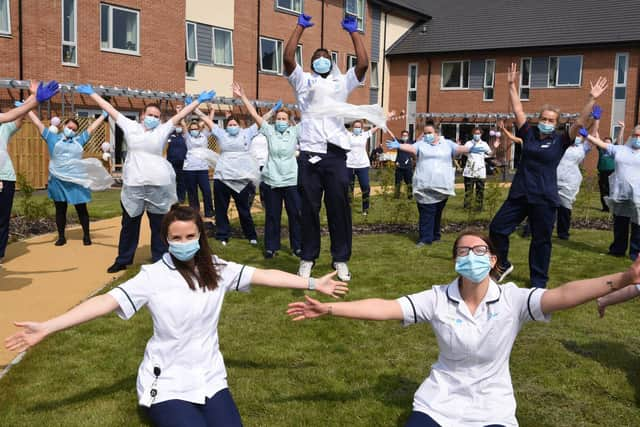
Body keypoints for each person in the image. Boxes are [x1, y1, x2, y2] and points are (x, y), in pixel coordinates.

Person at [4, 205, 348, 427]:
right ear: (166, 239)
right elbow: (105, 303)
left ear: (200, 236)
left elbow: (264, 275)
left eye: (190, 236)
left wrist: (314, 282)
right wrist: (48, 326)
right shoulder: (152, 277)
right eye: (176, 238)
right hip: (166, 383)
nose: (183, 242)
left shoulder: (217, 268)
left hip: (211, 377)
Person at [287, 230, 640, 427]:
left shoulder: (513, 299)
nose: (472, 254)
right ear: (456, 261)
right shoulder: (437, 298)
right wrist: (330, 308)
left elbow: (564, 294)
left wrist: (623, 278)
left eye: (480, 249)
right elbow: (386, 307)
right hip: (439, 402)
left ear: (493, 260)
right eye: (464, 250)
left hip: (493, 406)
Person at [73, 84, 216, 272]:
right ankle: (123, 259)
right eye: (150, 115)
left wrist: (199, 101)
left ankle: (160, 259)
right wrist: (92, 94)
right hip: (134, 185)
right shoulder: (130, 126)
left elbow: (181, 115)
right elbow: (110, 109)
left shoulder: (162, 130)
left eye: (157, 116)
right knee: (129, 225)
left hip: (158, 185)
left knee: (159, 226)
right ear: (142, 115)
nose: (153, 118)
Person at [488, 63, 608, 288]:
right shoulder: (529, 134)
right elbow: (518, 111)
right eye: (543, 118)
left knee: (541, 241)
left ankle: (538, 282)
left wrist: (591, 99)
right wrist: (512, 85)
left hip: (544, 197)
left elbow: (581, 122)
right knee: (497, 228)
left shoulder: (561, 140)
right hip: (520, 193)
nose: (546, 122)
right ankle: (502, 264)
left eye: (551, 120)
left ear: (557, 123)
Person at [283, 13, 370, 281]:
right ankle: (307, 257)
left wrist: (354, 33)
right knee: (308, 208)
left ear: (330, 62)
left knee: (338, 207)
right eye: (316, 57)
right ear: (311, 63)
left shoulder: (340, 81)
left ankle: (341, 259)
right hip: (309, 153)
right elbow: (287, 58)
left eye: (325, 56)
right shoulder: (303, 81)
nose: (321, 58)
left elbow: (364, 64)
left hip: (335, 154)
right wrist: (299, 27)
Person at [387, 123, 486, 247]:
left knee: (437, 211)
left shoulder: (447, 144)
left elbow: (459, 148)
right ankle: (425, 238)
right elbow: (411, 148)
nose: (426, 135)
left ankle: (435, 235)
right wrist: (399, 145)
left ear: (437, 133)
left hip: (442, 185)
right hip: (425, 185)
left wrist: (470, 149)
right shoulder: (421, 144)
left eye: (429, 133)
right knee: (427, 211)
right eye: (425, 133)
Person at [234, 83, 302, 259]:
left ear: (289, 121)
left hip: (291, 180)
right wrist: (243, 97)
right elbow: (254, 114)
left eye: (283, 119)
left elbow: (311, 118)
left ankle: (298, 247)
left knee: (295, 214)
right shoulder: (269, 131)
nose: (280, 121)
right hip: (272, 180)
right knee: (272, 216)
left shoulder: (295, 132)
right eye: (278, 119)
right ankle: (271, 247)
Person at [27, 110, 112, 246]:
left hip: (76, 180)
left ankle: (86, 236)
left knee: (81, 208)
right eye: (69, 127)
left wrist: (102, 116)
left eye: (74, 129)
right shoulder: (51, 137)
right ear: (63, 126)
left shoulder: (79, 140)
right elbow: (38, 123)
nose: (71, 130)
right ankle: (61, 237)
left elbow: (91, 128)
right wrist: (28, 109)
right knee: (60, 209)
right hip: (57, 179)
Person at [193, 101, 260, 247]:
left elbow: (260, 120)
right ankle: (222, 234)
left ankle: (251, 235)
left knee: (244, 209)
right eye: (230, 124)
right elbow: (207, 120)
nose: (232, 127)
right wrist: (196, 110)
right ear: (226, 126)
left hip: (240, 179)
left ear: (239, 126)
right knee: (221, 209)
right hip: (222, 177)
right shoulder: (221, 133)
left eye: (235, 124)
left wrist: (272, 111)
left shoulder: (246, 133)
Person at [584, 126, 640, 261]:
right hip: (620, 194)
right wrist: (587, 135)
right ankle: (618, 250)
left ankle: (635, 253)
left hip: (638, 195)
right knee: (620, 223)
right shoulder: (620, 150)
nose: (638, 138)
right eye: (636, 135)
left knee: (638, 225)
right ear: (632, 135)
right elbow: (603, 145)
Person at [556, 108, 598, 240]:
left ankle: (563, 233)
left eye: (580, 135)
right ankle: (532, 230)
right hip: (552, 179)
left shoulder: (582, 148)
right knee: (543, 207)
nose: (577, 137)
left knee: (565, 208)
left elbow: (593, 136)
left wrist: (596, 120)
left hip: (569, 182)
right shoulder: (561, 143)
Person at [181, 116, 215, 218]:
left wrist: (212, 112)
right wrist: (179, 113)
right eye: (192, 129)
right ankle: (194, 212)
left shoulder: (204, 135)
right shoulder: (187, 137)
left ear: (199, 129)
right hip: (190, 169)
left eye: (196, 129)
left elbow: (209, 122)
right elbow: (182, 123)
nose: (194, 130)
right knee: (192, 192)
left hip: (202, 168)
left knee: (206, 190)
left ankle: (209, 211)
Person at [347, 120, 379, 216]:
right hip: (349, 165)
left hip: (362, 165)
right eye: (355, 127)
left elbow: (376, 128)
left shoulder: (364, 135)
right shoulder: (348, 135)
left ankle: (365, 209)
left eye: (359, 127)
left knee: (365, 187)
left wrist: (385, 119)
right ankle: (348, 208)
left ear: (362, 128)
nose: (357, 129)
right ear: (352, 128)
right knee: (349, 189)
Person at [461, 127, 492, 211]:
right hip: (469, 171)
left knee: (480, 191)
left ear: (481, 134)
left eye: (478, 133)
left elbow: (490, 153)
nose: (476, 135)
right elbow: (463, 152)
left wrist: (483, 156)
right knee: (468, 191)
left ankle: (479, 208)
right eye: (475, 133)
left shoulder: (484, 144)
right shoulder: (468, 143)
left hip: (480, 171)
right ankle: (467, 207)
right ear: (472, 134)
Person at [597, 123, 624, 212]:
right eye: (605, 143)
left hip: (612, 172)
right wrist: (595, 123)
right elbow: (597, 138)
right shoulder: (601, 149)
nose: (607, 145)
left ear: (611, 144)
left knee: (612, 190)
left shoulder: (614, 149)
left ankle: (613, 207)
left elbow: (619, 140)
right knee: (603, 191)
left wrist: (622, 128)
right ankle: (605, 207)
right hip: (602, 172)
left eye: (609, 143)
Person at [166, 105, 188, 204]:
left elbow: (184, 125)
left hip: (183, 162)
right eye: (177, 125)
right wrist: (177, 113)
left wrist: (180, 113)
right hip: (171, 161)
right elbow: (170, 124)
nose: (178, 127)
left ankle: (181, 198)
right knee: (171, 181)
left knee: (182, 182)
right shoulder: (170, 134)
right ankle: (171, 198)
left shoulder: (184, 135)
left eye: (180, 126)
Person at [394, 130, 414, 199]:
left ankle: (410, 196)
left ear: (408, 136)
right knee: (398, 182)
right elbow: (393, 137)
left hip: (408, 166)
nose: (404, 137)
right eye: (403, 135)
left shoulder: (411, 143)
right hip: (399, 165)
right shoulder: (399, 143)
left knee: (409, 182)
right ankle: (396, 196)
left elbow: (419, 140)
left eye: (405, 135)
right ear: (401, 136)